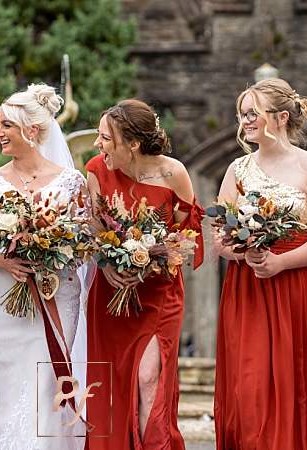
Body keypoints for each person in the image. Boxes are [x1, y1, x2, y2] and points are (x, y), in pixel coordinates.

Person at [213, 78, 307, 449]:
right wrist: (243, 251)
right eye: (242, 114)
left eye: (253, 113)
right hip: (249, 291)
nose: (245, 121)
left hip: (299, 290)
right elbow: (220, 238)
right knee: (250, 387)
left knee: (302, 382)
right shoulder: (237, 170)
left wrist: (281, 262)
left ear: (281, 117)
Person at [0, 83, 89, 450]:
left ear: (31, 131)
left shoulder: (71, 182)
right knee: (0, 382)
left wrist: (51, 252)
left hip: (55, 295)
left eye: (6, 126)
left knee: (46, 379)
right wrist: (1, 258)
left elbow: (84, 245)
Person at [84, 99, 205, 450]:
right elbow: (94, 231)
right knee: (113, 381)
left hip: (159, 294)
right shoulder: (96, 170)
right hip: (111, 294)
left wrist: (152, 258)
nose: (98, 145)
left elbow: (185, 236)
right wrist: (110, 266)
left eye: (106, 138)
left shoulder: (174, 173)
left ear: (132, 143)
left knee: (149, 376)